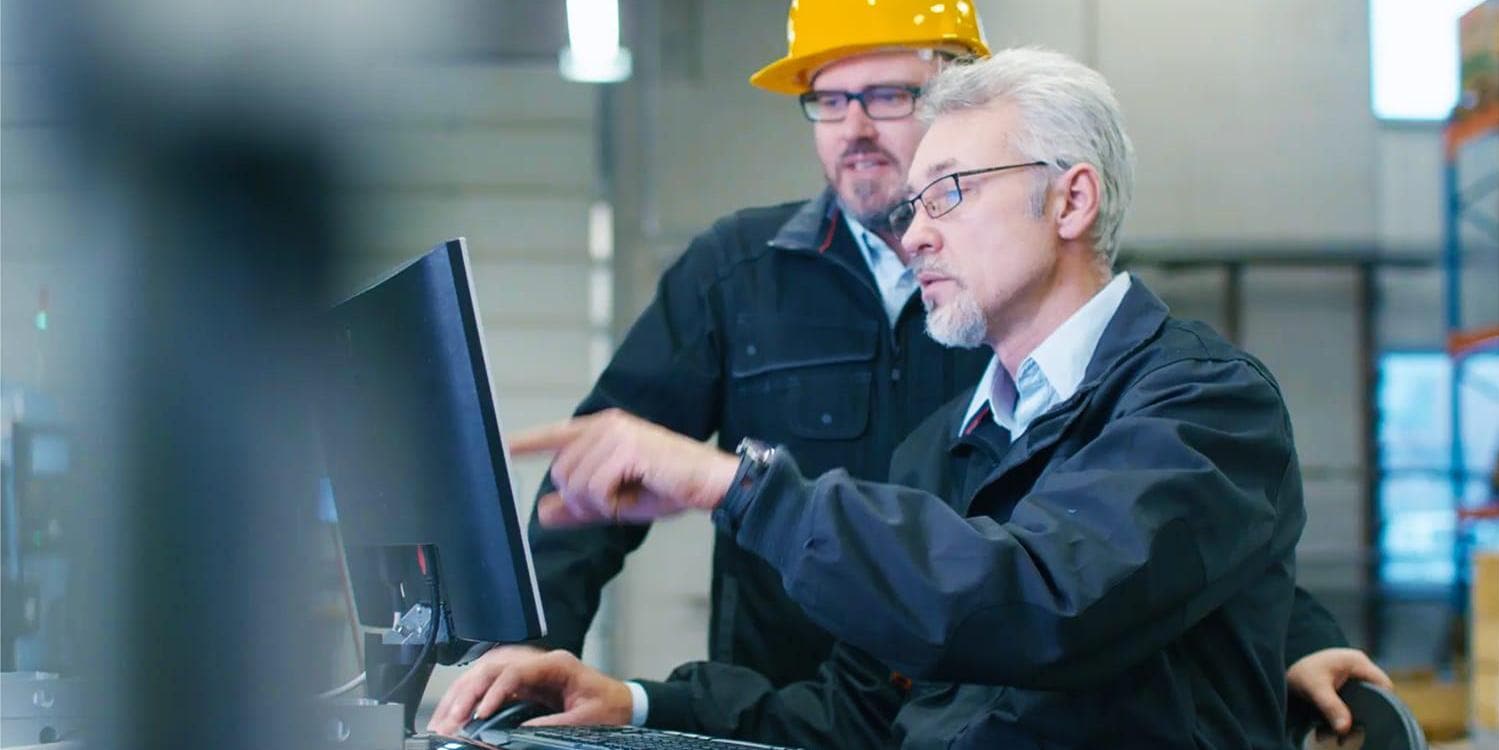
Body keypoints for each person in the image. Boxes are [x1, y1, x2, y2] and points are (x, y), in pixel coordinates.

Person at [429, 1, 1387, 741]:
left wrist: (1285, 639)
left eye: (950, 189)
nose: (917, 228)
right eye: (830, 99)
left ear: (1069, 199)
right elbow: (859, 714)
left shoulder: (1202, 398)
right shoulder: (949, 429)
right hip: (810, 665)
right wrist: (626, 700)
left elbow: (1075, 581)